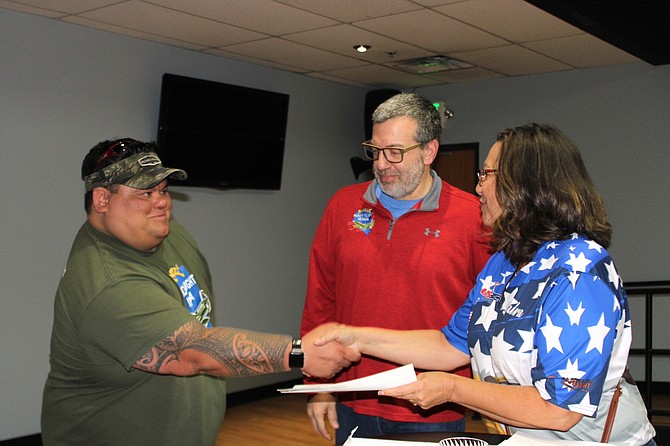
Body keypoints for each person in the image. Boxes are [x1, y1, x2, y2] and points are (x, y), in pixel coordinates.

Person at [315, 123, 657, 445]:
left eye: (487, 175)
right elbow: (450, 346)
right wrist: (353, 336)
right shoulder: (504, 260)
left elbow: (559, 410)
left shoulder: (578, 271)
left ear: (525, 184)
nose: (478, 186)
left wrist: (451, 389)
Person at [41, 138, 359, 446]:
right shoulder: (107, 282)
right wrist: (298, 354)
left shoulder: (170, 235)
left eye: (163, 190)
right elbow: (190, 351)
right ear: (102, 200)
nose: (162, 202)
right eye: (146, 192)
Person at [300, 93, 492, 444]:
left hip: (434, 407)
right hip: (353, 398)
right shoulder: (342, 206)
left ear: (429, 151)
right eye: (375, 150)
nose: (382, 163)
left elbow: (488, 315)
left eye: (395, 152)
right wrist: (318, 386)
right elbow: (320, 299)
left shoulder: (473, 218)